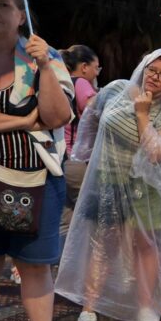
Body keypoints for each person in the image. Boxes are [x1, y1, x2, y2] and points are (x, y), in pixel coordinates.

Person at [0, 0, 74, 321]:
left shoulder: (42, 56)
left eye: (3, 4)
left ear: (21, 14)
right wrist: (20, 120)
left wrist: (46, 66)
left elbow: (57, 117)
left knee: (34, 268)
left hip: (34, 180)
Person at [55, 48, 161, 321]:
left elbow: (156, 153)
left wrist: (142, 115)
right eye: (153, 69)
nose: (155, 77)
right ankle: (88, 311)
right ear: (144, 66)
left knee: (146, 246)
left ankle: (145, 309)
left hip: (145, 187)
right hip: (108, 179)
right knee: (104, 243)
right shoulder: (116, 89)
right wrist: (84, 152)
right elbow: (90, 116)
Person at [59, 45, 100, 234]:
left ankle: (59, 263)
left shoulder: (63, 83)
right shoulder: (81, 83)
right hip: (77, 160)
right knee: (93, 214)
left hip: (61, 159)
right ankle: (90, 261)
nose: (96, 72)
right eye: (96, 67)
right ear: (84, 67)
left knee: (66, 219)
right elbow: (97, 111)